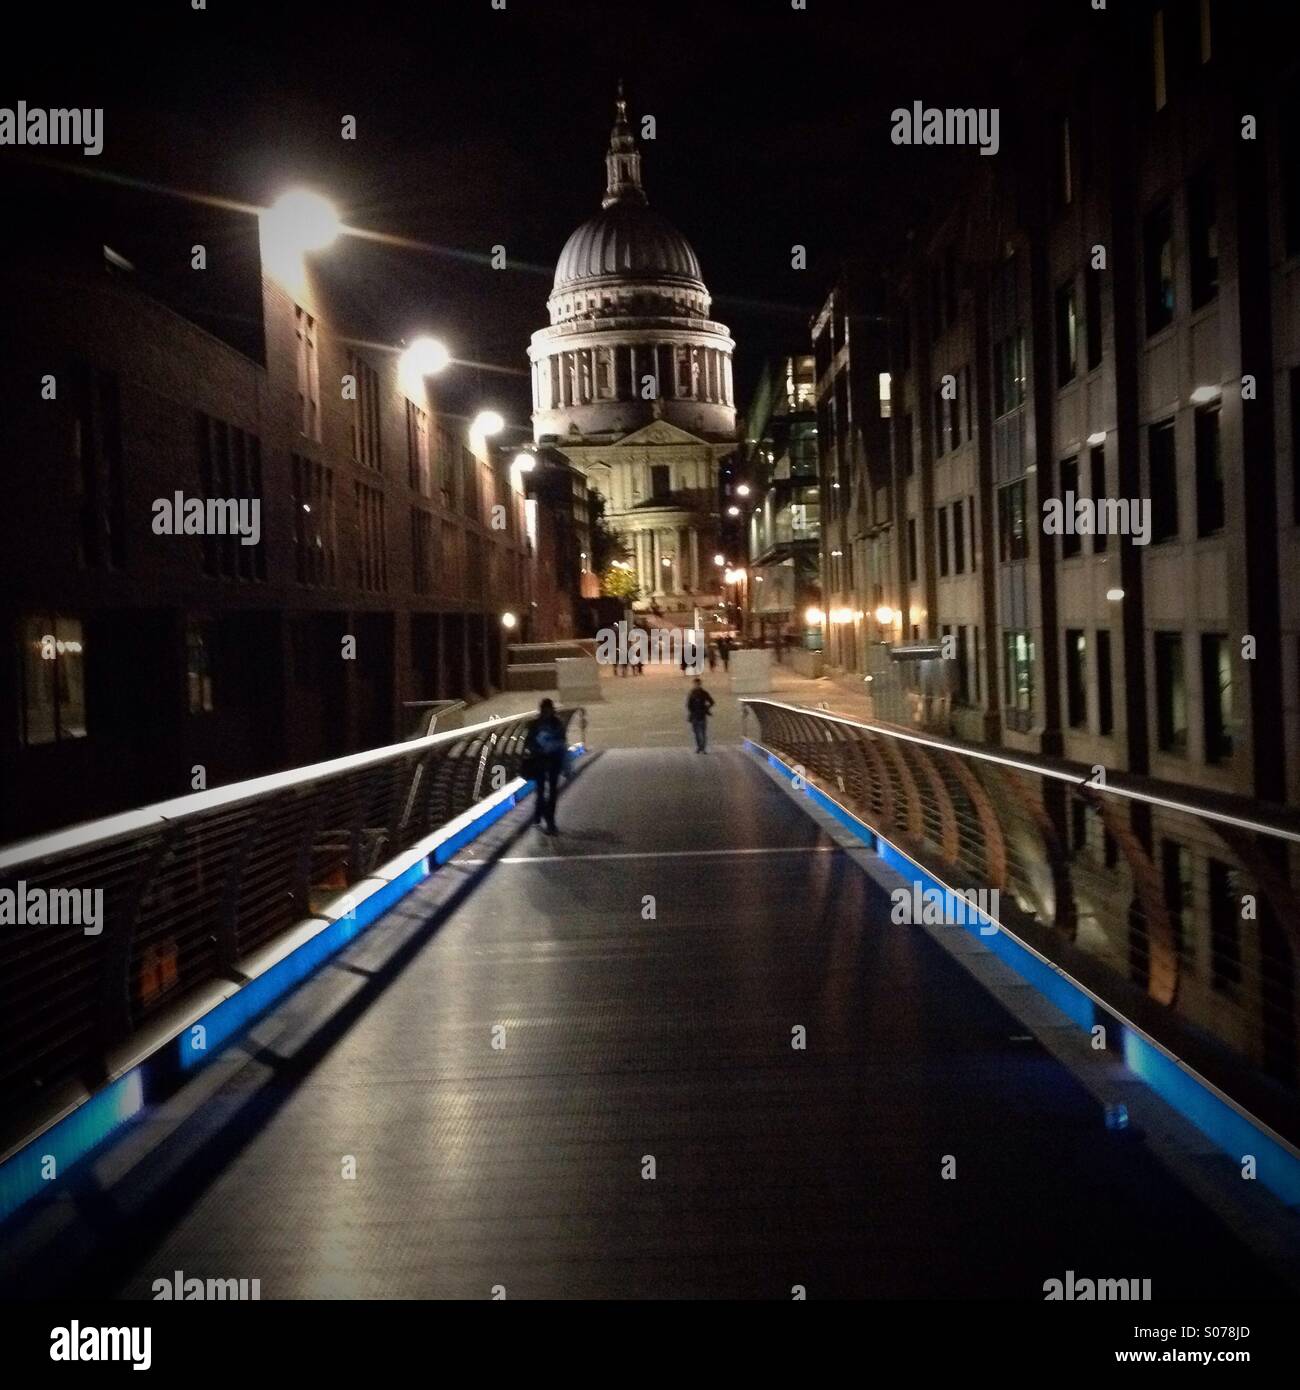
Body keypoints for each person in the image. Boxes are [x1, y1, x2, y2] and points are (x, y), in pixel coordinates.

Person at [521, 697, 568, 833]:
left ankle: (549, 820)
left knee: (552, 791)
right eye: (545, 711)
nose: (547, 713)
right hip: (540, 761)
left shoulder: (556, 723)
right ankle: (543, 817)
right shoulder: (535, 725)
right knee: (541, 791)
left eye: (549, 711)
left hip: (553, 760)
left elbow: (562, 740)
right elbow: (528, 743)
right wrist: (539, 748)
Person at [686, 678, 715, 753]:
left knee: (702, 732)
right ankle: (700, 747)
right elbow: (689, 705)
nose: (696, 686)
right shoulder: (693, 693)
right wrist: (706, 709)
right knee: (697, 732)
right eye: (696, 684)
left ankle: (702, 747)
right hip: (697, 715)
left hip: (699, 715)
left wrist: (706, 708)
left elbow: (711, 702)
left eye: (697, 684)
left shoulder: (699, 693)